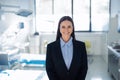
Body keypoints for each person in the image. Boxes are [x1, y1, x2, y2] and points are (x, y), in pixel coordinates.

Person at [46, 16, 88, 80]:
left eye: (69, 27)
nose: (66, 30)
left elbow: (84, 68)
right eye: (63, 27)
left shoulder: (81, 46)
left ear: (72, 28)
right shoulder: (51, 47)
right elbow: (49, 69)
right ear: (59, 29)